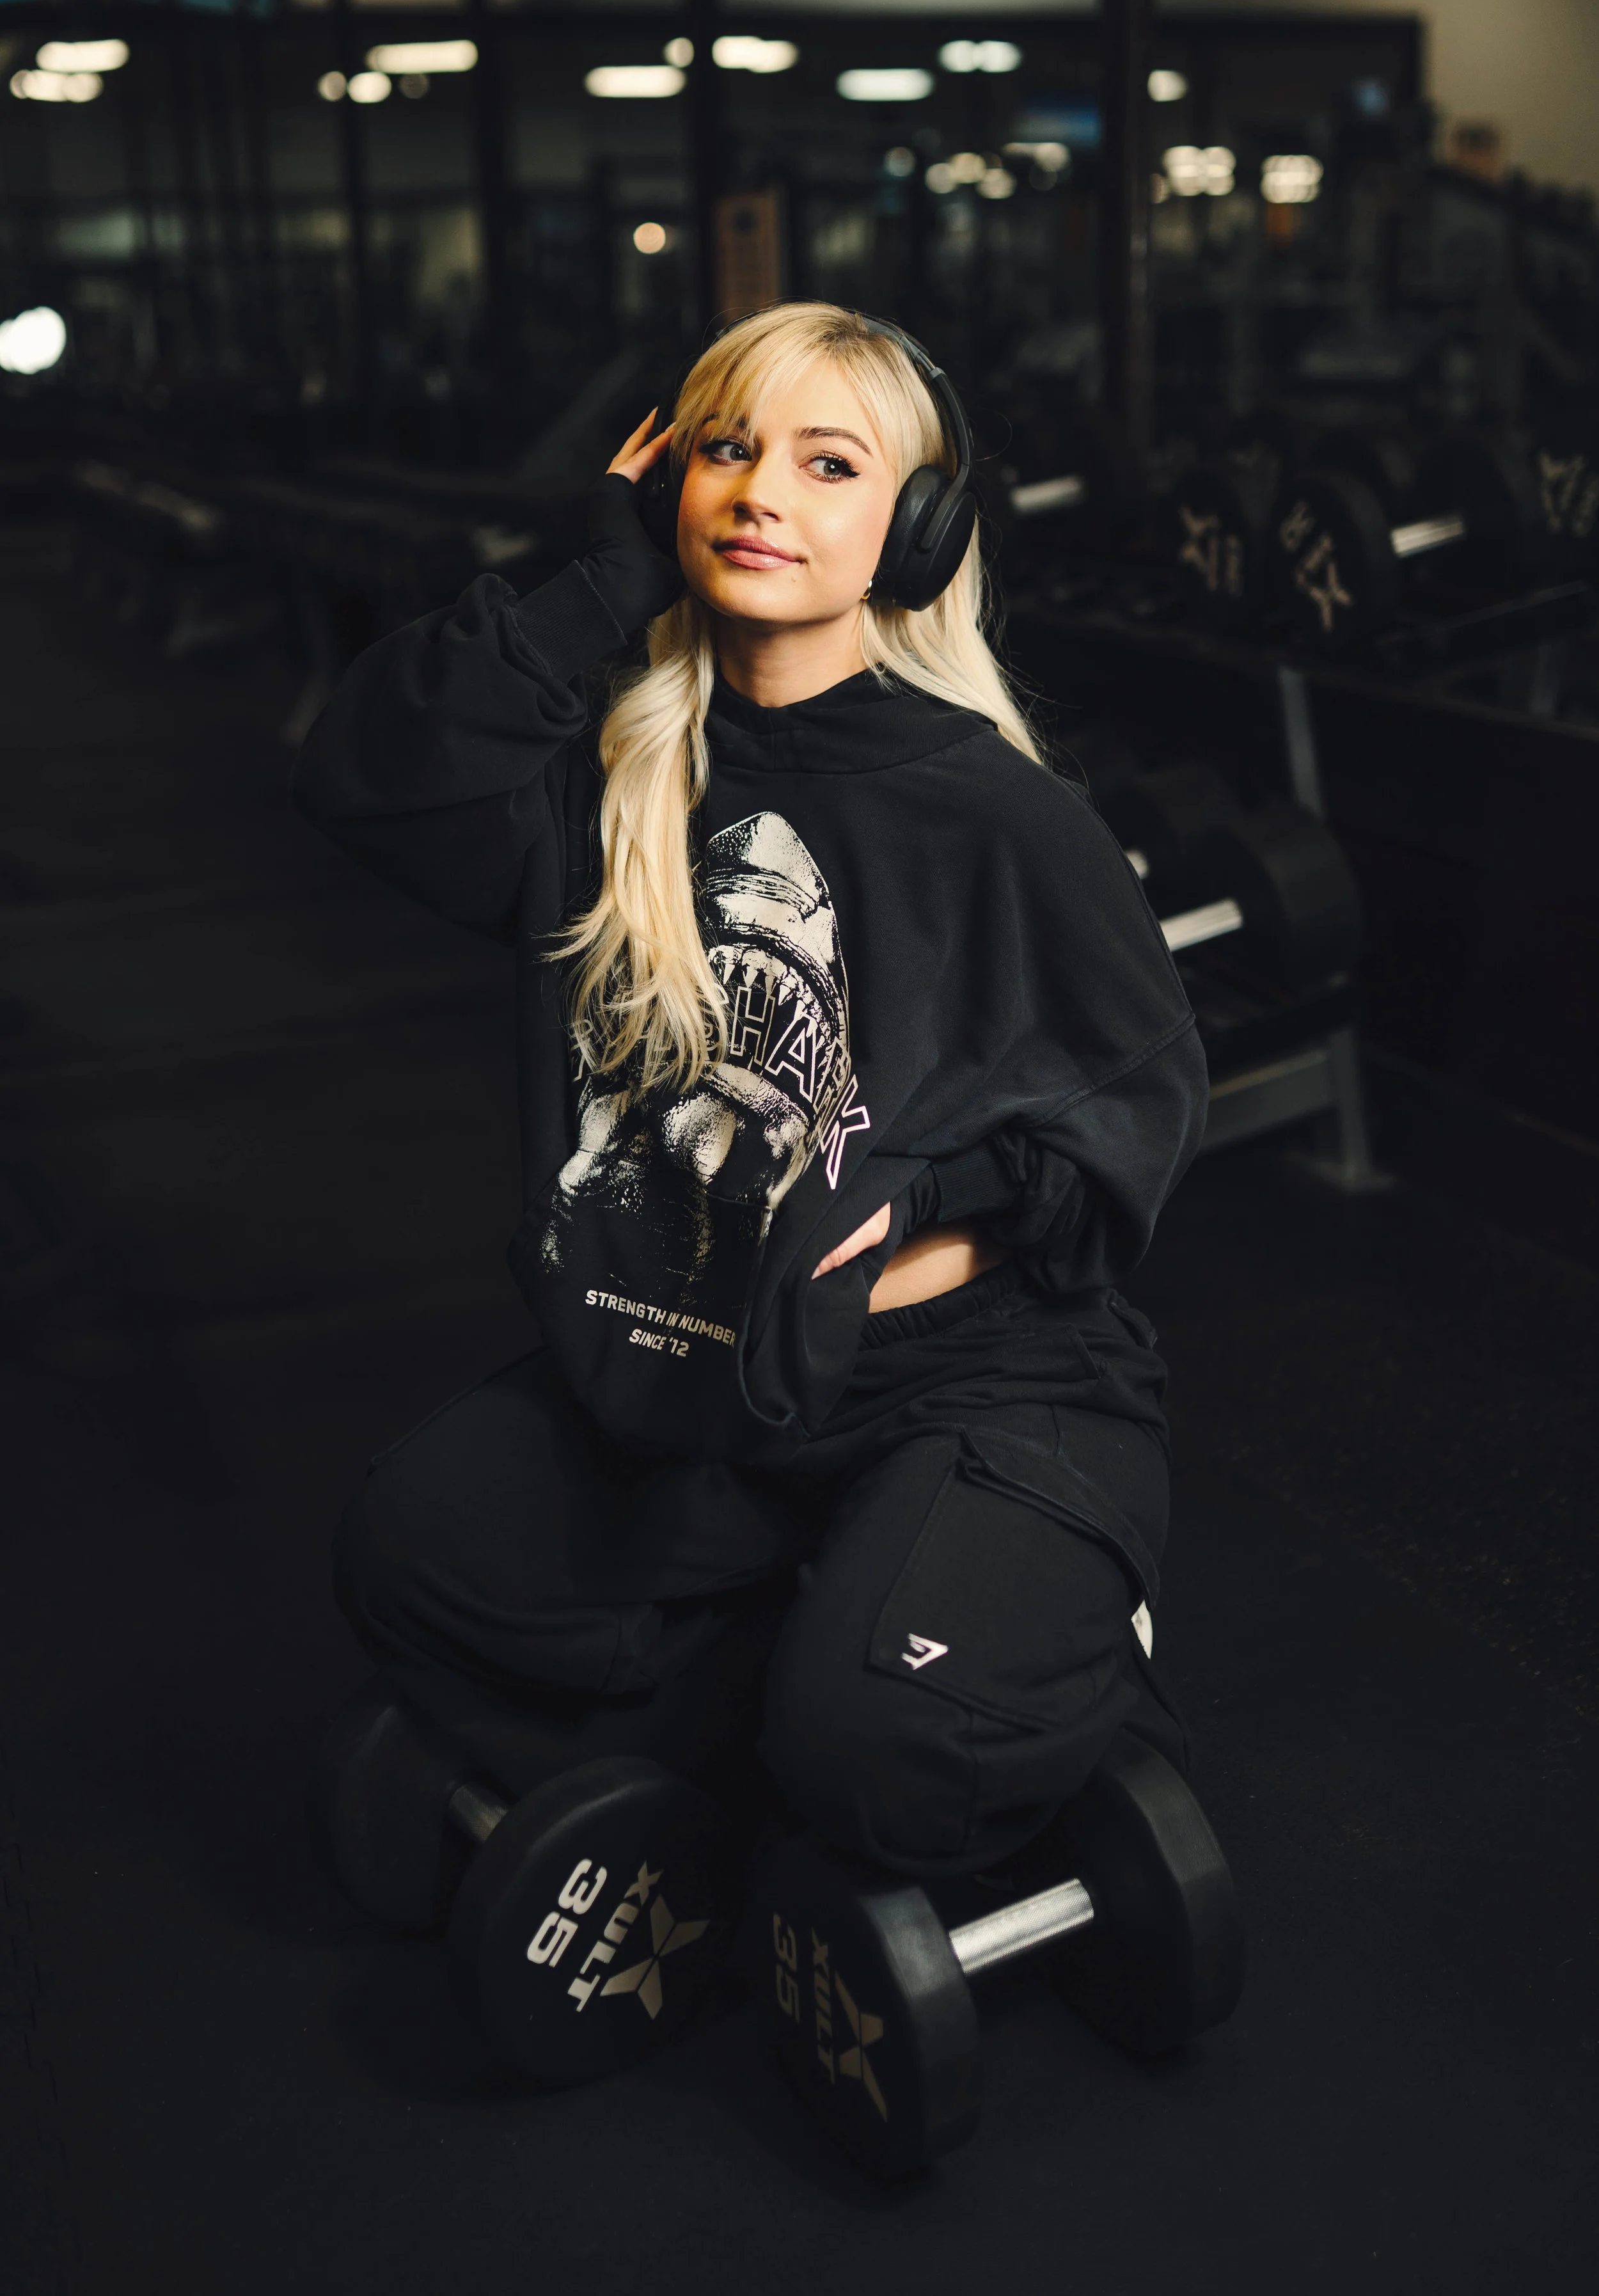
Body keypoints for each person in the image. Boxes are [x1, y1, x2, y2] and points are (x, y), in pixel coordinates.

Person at [294, 301, 1206, 1906]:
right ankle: (799, 1664)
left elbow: (1122, 1139)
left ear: (910, 530)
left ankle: (1002, 1647)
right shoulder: (608, 783)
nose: (760, 492)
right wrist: (599, 586)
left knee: (877, 1760)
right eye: (726, 451)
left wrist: (917, 1200)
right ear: (668, 493)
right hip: (689, 1383)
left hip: (959, 1383)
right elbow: (364, 774)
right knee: (407, 1552)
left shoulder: (998, 813)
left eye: (826, 462)